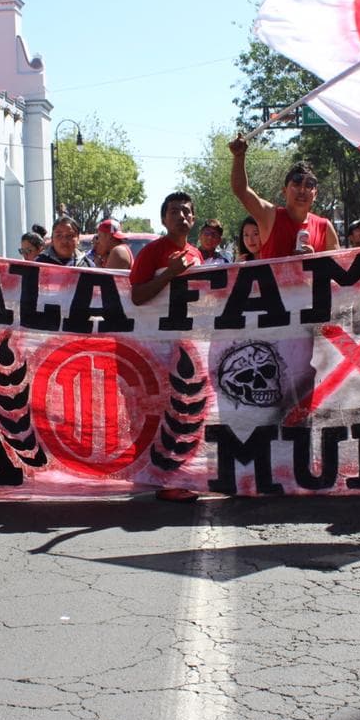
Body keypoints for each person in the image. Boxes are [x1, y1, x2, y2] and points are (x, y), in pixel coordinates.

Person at [130, 193, 204, 503]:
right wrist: (170, 274)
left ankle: (176, 476)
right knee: (164, 416)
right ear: (164, 219)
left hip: (186, 347)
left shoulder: (196, 254)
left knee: (186, 414)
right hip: (156, 347)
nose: (181, 216)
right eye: (174, 212)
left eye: (187, 211)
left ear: (193, 219)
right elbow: (137, 296)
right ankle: (164, 481)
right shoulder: (152, 252)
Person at [229, 136, 340, 258]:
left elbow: (340, 269)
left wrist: (314, 261)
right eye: (296, 184)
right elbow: (241, 190)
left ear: (315, 195)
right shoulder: (270, 216)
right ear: (284, 191)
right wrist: (239, 157)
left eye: (309, 185)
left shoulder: (324, 227)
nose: (302, 190)